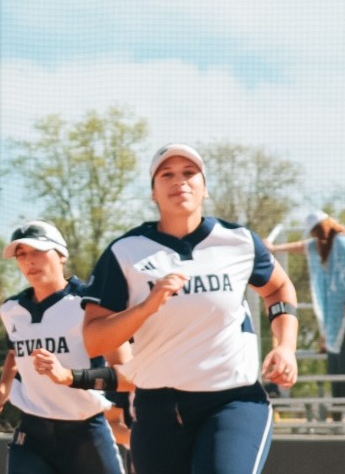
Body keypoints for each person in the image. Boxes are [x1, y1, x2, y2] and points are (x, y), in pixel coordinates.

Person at [83, 144, 298, 474]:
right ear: (153, 193)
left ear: (205, 188)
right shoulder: (125, 252)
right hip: (157, 407)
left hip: (232, 400)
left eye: (189, 173)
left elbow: (278, 288)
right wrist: (145, 308)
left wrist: (285, 347)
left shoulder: (239, 242)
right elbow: (94, 340)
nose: (179, 181)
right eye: (166, 174)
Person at [0, 221, 127, 474]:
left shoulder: (91, 303)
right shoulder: (11, 309)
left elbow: (123, 370)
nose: (29, 260)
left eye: (38, 251)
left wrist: (69, 376)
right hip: (33, 433)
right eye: (21, 254)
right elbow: (14, 353)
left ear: (61, 255)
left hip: (85, 430)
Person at [268, 211, 345, 402]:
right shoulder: (322, 245)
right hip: (335, 308)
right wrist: (275, 248)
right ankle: (341, 397)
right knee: (337, 352)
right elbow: (302, 247)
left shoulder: (342, 241)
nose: (314, 236)